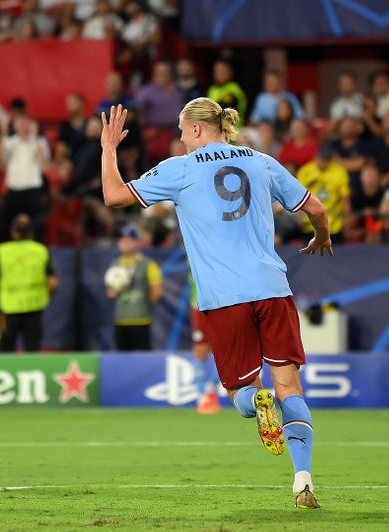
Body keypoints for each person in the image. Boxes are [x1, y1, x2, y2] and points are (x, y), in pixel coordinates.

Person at [100, 98, 331, 509]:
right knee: (291, 387)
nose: (178, 137)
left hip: (224, 297)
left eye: (180, 129)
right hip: (273, 288)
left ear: (195, 130)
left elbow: (114, 196)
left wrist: (109, 149)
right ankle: (303, 480)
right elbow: (314, 207)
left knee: (241, 390)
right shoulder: (262, 161)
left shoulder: (181, 168)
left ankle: (254, 402)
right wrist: (323, 237)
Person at [0, 214, 57, 352]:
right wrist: (45, 294)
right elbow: (53, 283)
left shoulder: (2, 251)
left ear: (13, 231)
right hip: (34, 308)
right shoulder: (41, 250)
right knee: (32, 354)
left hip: (7, 310)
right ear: (31, 232)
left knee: (5, 354)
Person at [106, 226, 163, 351]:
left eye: (128, 240)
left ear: (137, 242)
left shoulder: (148, 264)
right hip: (121, 319)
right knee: (122, 359)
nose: (124, 243)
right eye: (121, 240)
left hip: (141, 319)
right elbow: (109, 292)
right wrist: (114, 292)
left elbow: (157, 292)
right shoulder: (115, 264)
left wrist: (144, 306)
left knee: (142, 358)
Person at [189, 272, 221, 414]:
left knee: (223, 351)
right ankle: (201, 396)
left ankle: (211, 390)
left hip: (221, 308)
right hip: (200, 309)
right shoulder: (195, 260)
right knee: (200, 351)